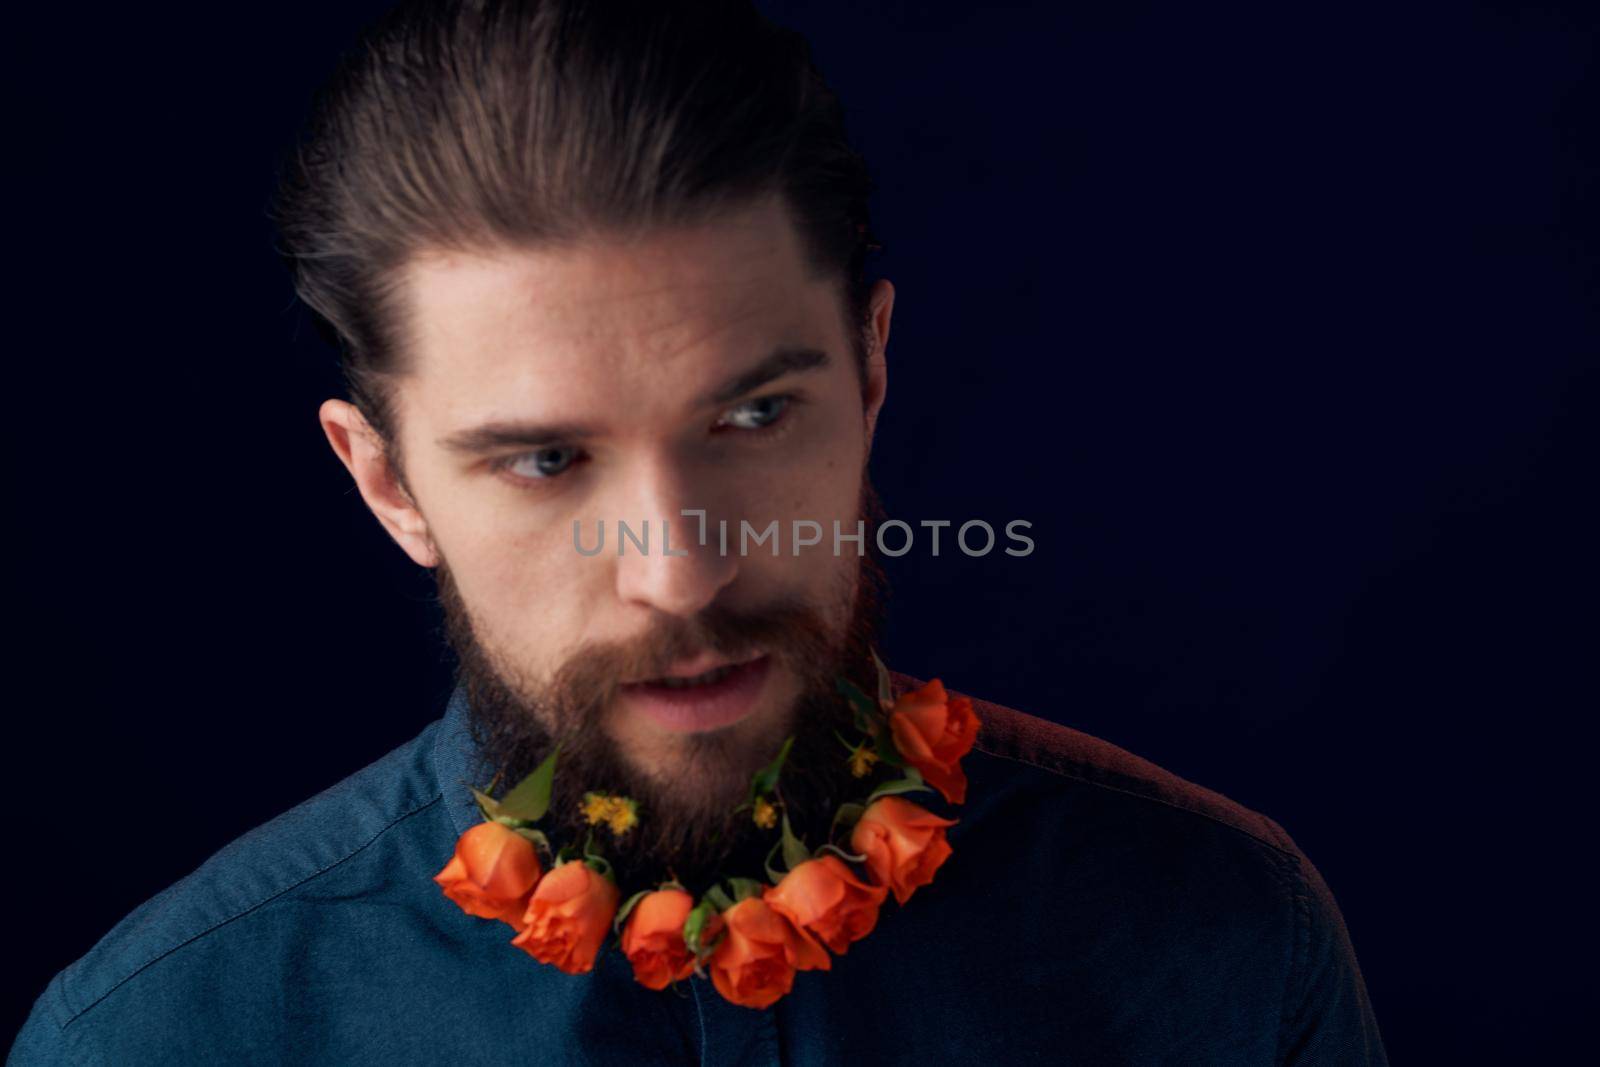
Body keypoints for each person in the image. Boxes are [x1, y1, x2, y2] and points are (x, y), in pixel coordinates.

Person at [9, 1, 1387, 1063]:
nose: (678, 572)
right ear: (386, 485)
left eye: (752, 418)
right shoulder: (156, 1035)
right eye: (546, 460)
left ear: (874, 373)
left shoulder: (1229, 945)